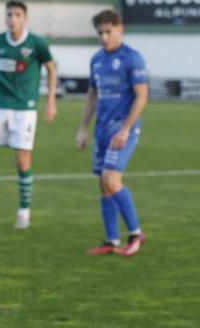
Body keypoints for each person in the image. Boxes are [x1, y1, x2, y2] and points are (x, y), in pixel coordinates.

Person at [0, 1, 56, 229]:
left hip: (24, 109)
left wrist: (50, 100)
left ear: (25, 19)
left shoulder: (37, 43)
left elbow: (51, 68)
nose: (12, 18)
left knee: (22, 162)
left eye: (17, 15)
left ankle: (23, 211)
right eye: (9, 14)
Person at [77, 9, 148, 257]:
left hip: (123, 130)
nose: (105, 37)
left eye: (109, 31)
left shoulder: (132, 58)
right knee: (103, 186)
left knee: (111, 180)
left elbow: (141, 96)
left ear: (120, 29)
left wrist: (126, 129)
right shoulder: (96, 59)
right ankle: (111, 240)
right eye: (101, 33)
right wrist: (83, 128)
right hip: (102, 130)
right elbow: (92, 95)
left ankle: (136, 233)